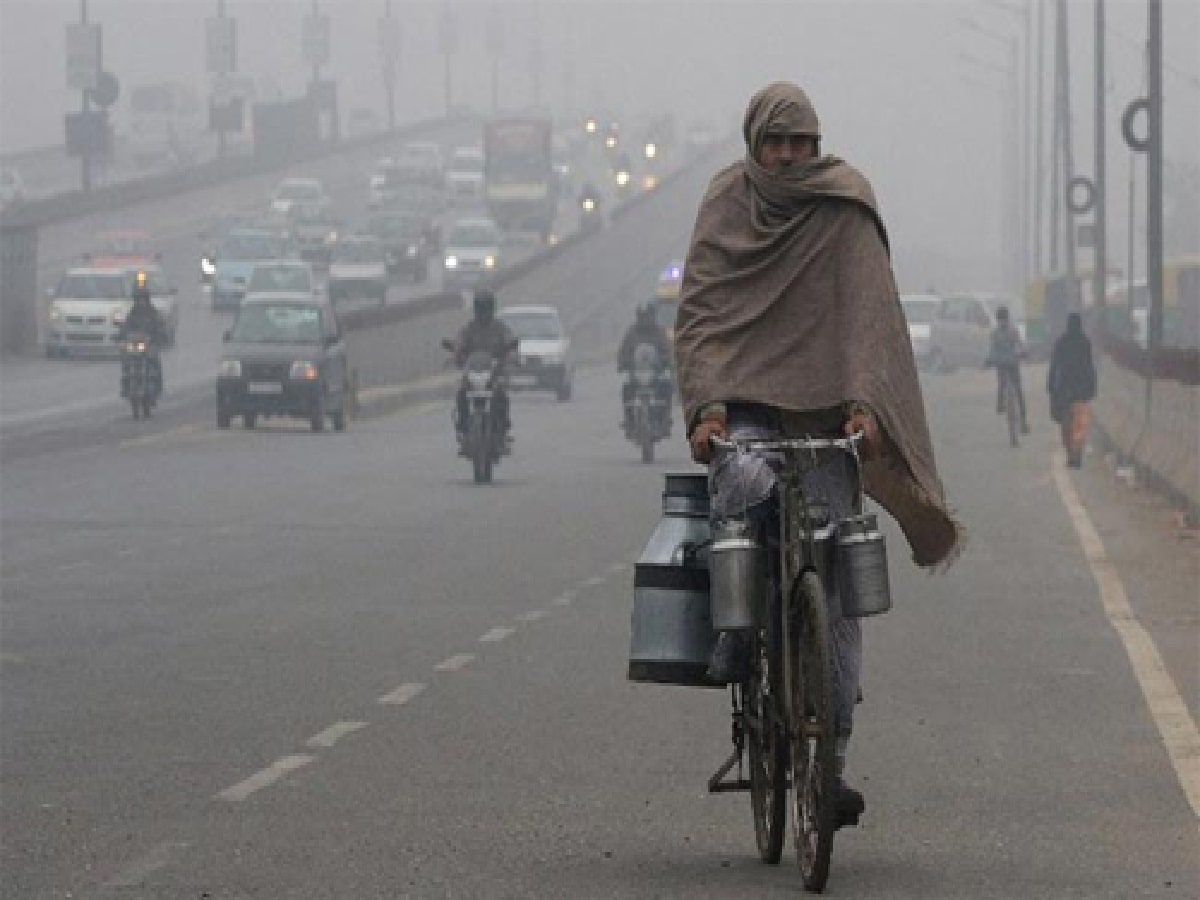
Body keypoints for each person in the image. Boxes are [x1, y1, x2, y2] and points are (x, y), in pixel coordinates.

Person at [674, 82, 963, 830]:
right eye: (778, 143)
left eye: (803, 143)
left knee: (835, 595)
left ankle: (828, 764)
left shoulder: (844, 205)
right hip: (744, 405)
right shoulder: (724, 204)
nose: (791, 156)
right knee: (741, 490)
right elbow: (702, 313)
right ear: (754, 144)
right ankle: (738, 637)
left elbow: (869, 318)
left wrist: (866, 404)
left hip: (828, 413)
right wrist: (706, 411)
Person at [450, 289, 516, 446]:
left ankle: (503, 428)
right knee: (461, 394)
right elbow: (460, 341)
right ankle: (463, 427)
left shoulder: (500, 327)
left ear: (491, 308)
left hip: (495, 372)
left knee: (501, 395)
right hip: (474, 372)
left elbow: (510, 340)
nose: (483, 312)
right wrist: (457, 352)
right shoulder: (470, 328)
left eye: (486, 308)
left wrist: (511, 353)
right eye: (480, 308)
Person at [1047, 313, 1097, 468]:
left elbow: (1054, 365)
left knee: (1065, 423)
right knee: (1080, 424)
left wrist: (1050, 384)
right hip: (1081, 388)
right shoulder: (1085, 342)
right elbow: (1089, 366)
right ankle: (1077, 453)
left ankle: (1070, 453)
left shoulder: (1061, 342)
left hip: (1064, 389)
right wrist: (1092, 385)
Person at [618, 304, 673, 432]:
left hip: (656, 371)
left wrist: (666, 361)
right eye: (642, 316)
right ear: (638, 316)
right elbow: (623, 350)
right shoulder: (631, 332)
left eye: (647, 316)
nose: (645, 319)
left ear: (653, 316)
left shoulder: (660, 332)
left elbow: (667, 349)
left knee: (667, 385)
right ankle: (629, 419)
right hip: (636, 372)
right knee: (626, 388)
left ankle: (665, 417)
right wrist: (622, 363)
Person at [118, 270, 166, 394]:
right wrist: (121, 334)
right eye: (138, 299)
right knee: (126, 361)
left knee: (154, 360)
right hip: (135, 345)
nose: (141, 302)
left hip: (150, 345)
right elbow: (125, 326)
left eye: (143, 299)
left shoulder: (153, 313)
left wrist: (160, 334)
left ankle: (157, 387)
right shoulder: (132, 314)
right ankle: (126, 385)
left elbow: (159, 325)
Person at [986, 305, 1029, 433]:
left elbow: (1019, 345)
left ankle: (1023, 421)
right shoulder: (1000, 332)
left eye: (1003, 319)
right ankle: (1001, 405)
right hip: (1005, 364)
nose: (1003, 322)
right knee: (1004, 385)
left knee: (1017, 390)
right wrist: (989, 360)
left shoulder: (1010, 331)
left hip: (1010, 364)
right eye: (1001, 319)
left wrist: (1022, 352)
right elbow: (992, 349)